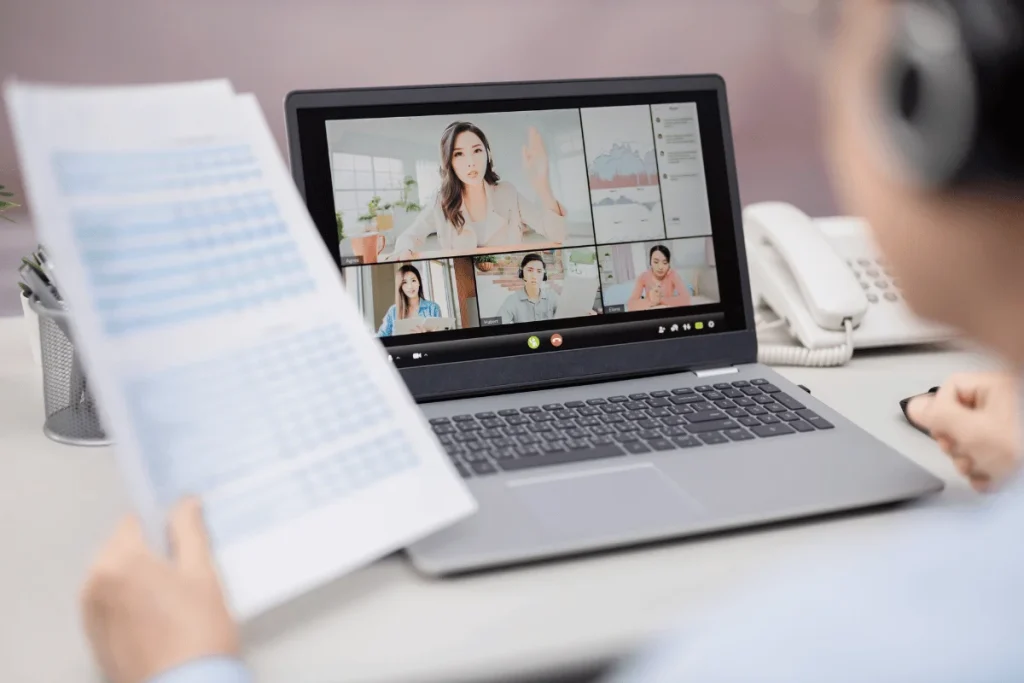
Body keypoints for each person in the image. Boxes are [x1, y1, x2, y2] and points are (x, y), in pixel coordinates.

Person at [80, 3, 1024, 682]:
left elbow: (550, 236)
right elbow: (404, 259)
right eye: (462, 152)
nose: (470, 159)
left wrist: (185, 668)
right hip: (437, 395)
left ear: (935, 103)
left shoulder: (780, 654)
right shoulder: (429, 229)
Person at [391, 121, 568, 259]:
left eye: (477, 151)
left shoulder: (507, 192)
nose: (471, 162)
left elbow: (558, 235)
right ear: (449, 162)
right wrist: (404, 249)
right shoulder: (441, 202)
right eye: (458, 154)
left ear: (488, 155)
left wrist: (542, 185)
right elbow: (409, 236)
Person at [376, 264, 441, 337]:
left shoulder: (432, 308)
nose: (410, 286)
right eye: (405, 282)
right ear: (400, 286)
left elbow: (440, 338)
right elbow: (380, 337)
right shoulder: (393, 311)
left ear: (419, 282)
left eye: (413, 280)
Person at [496, 253, 560, 324]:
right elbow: (497, 325)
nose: (534, 275)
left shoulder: (552, 297)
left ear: (543, 276)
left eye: (539, 271)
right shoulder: (512, 300)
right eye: (530, 270)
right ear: (522, 273)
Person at [626, 245, 692, 311]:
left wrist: (660, 300)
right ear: (650, 262)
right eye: (656, 262)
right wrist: (651, 301)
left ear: (669, 264)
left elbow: (686, 300)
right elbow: (631, 305)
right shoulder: (643, 277)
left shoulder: (673, 275)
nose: (660, 267)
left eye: (665, 263)